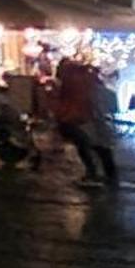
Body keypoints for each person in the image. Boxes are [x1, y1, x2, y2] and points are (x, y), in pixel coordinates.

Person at [50, 57, 116, 187]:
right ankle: (107, 174)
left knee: (88, 145)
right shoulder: (86, 77)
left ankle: (94, 173)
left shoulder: (72, 80)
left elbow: (69, 99)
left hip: (79, 117)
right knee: (96, 146)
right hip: (86, 116)